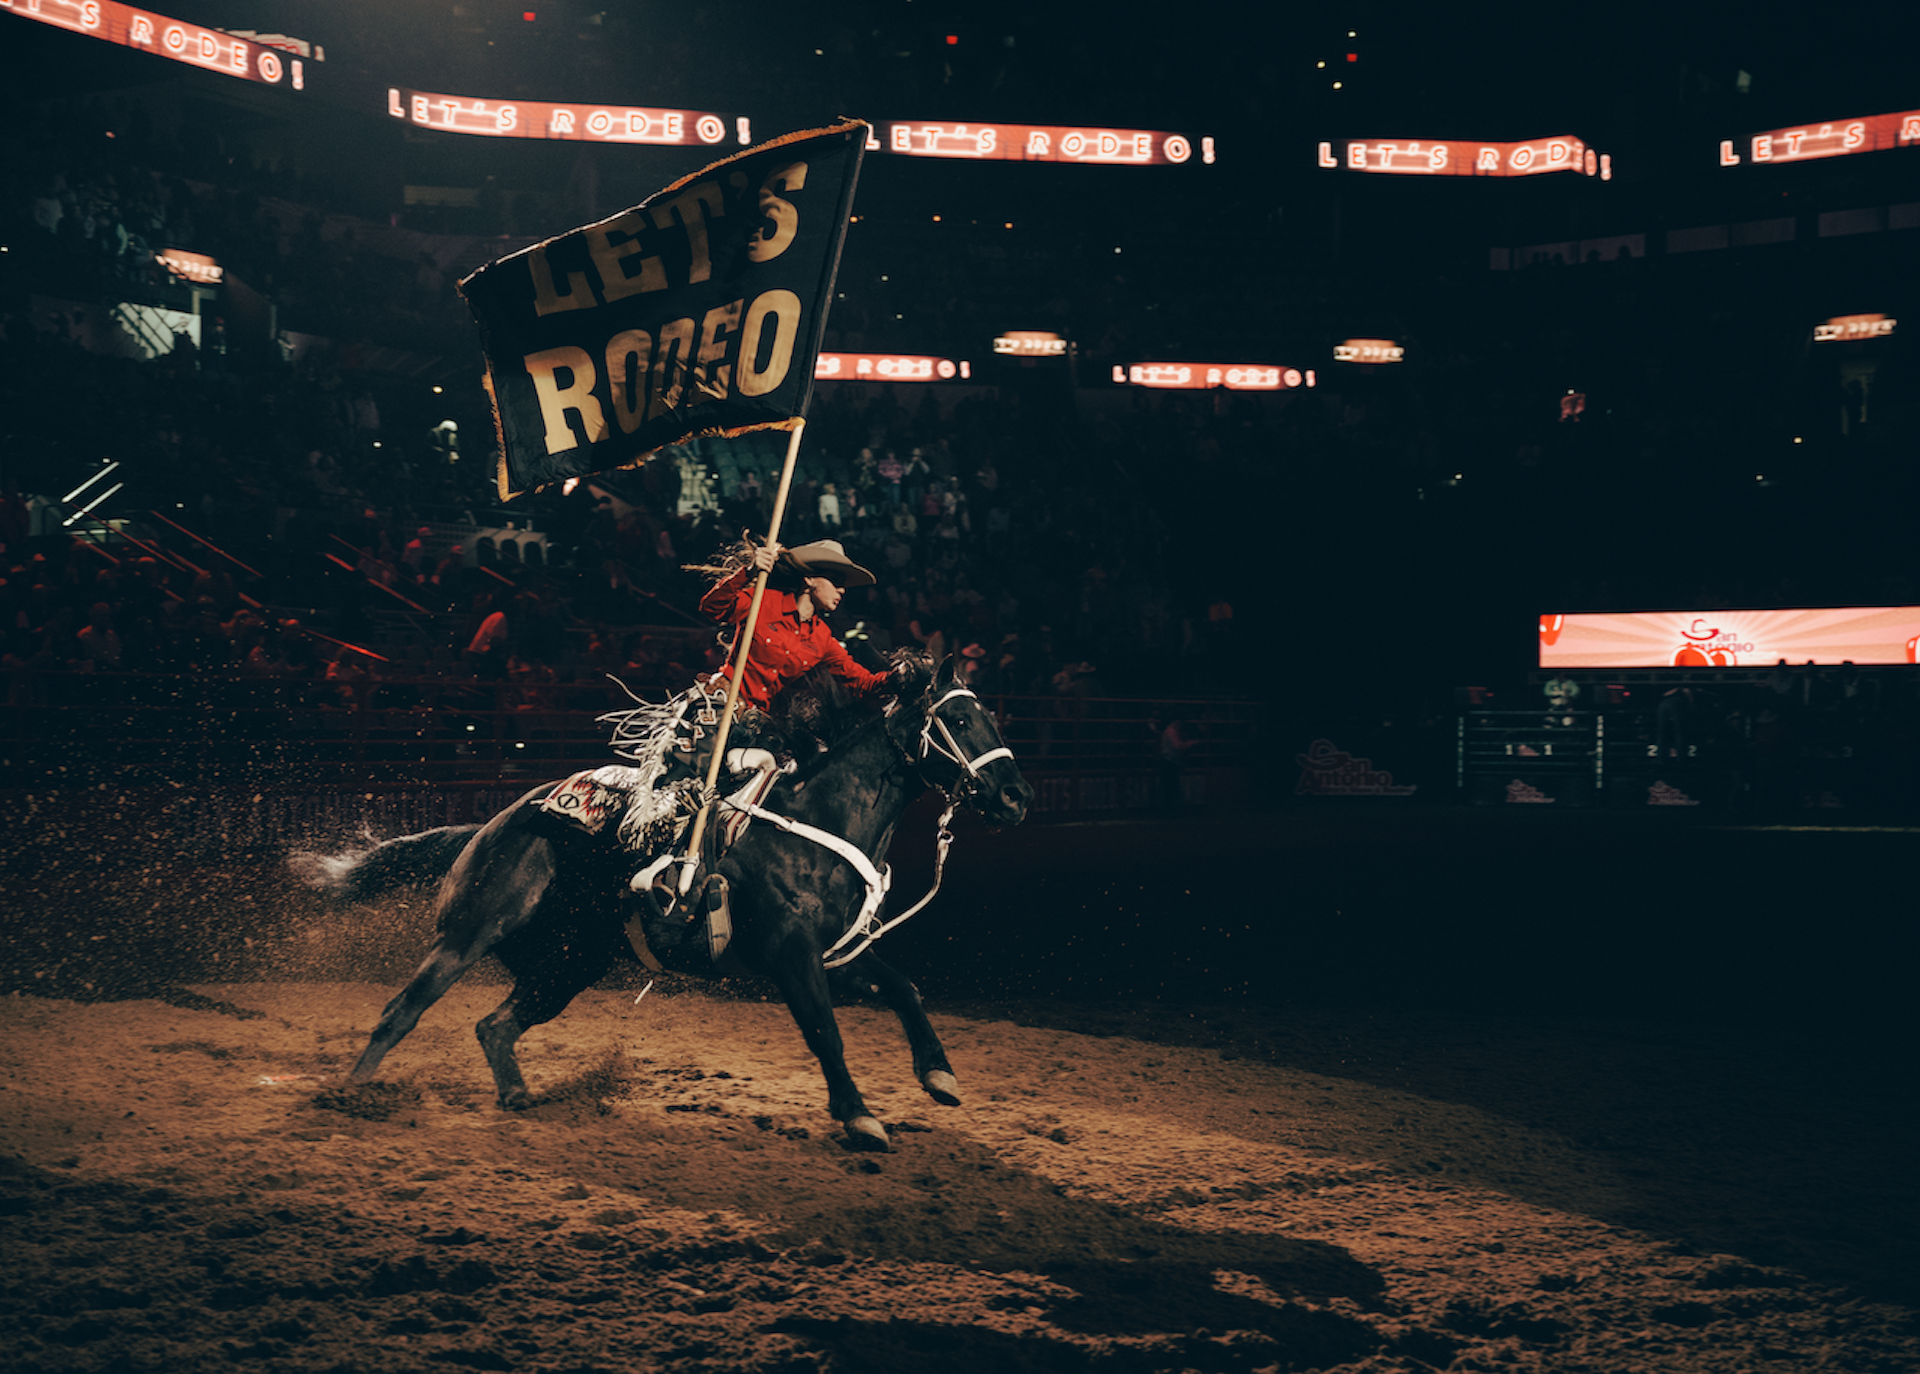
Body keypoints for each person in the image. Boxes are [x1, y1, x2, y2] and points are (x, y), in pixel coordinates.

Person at [541, 537, 924, 964]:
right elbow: (713, 606)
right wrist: (748, 572)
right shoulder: (763, 600)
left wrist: (899, 678)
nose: (842, 590)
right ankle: (652, 869)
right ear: (809, 580)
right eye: (836, 581)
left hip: (758, 726)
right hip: (714, 712)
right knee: (682, 794)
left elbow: (862, 682)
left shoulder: (821, 637)